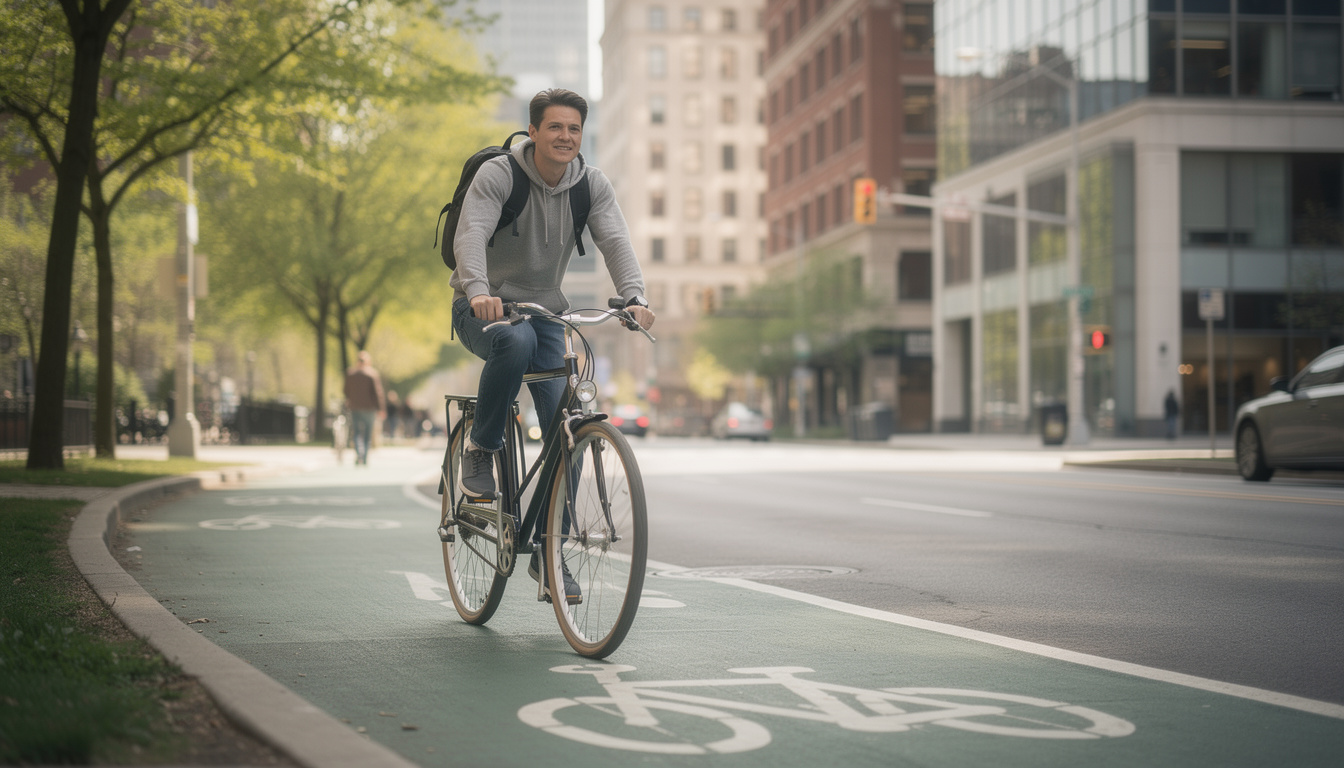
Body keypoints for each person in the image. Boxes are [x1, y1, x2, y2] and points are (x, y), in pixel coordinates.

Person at [449, 88, 655, 599]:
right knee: (512, 343)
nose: (565, 137)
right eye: (555, 127)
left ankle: (547, 550)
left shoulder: (591, 185)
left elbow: (616, 241)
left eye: (574, 129)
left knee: (570, 426)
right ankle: (482, 447)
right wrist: (478, 291)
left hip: (546, 311)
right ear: (534, 130)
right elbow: (471, 233)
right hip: (484, 306)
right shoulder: (500, 174)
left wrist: (633, 296)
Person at [343, 350, 386, 465]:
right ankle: (365, 456)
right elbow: (378, 393)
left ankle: (359, 453)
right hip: (369, 408)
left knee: (356, 432)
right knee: (367, 433)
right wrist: (381, 408)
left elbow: (346, 391)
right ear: (368, 362)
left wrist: (350, 399)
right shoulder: (372, 374)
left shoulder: (350, 374)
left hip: (355, 407)